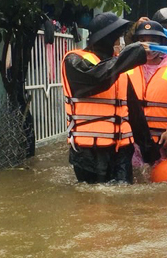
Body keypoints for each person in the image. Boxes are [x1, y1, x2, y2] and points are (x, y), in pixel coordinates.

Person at [61, 12, 159, 184]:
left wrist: (149, 152)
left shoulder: (120, 69)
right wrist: (131, 54)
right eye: (117, 37)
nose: (119, 42)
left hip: (121, 151)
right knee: (92, 206)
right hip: (89, 152)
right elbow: (97, 78)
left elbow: (135, 115)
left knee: (122, 202)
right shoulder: (74, 61)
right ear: (106, 38)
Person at [127, 20, 167, 167]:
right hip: (133, 142)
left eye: (153, 41)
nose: (148, 45)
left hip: (162, 140)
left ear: (162, 42)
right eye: (142, 40)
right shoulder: (127, 70)